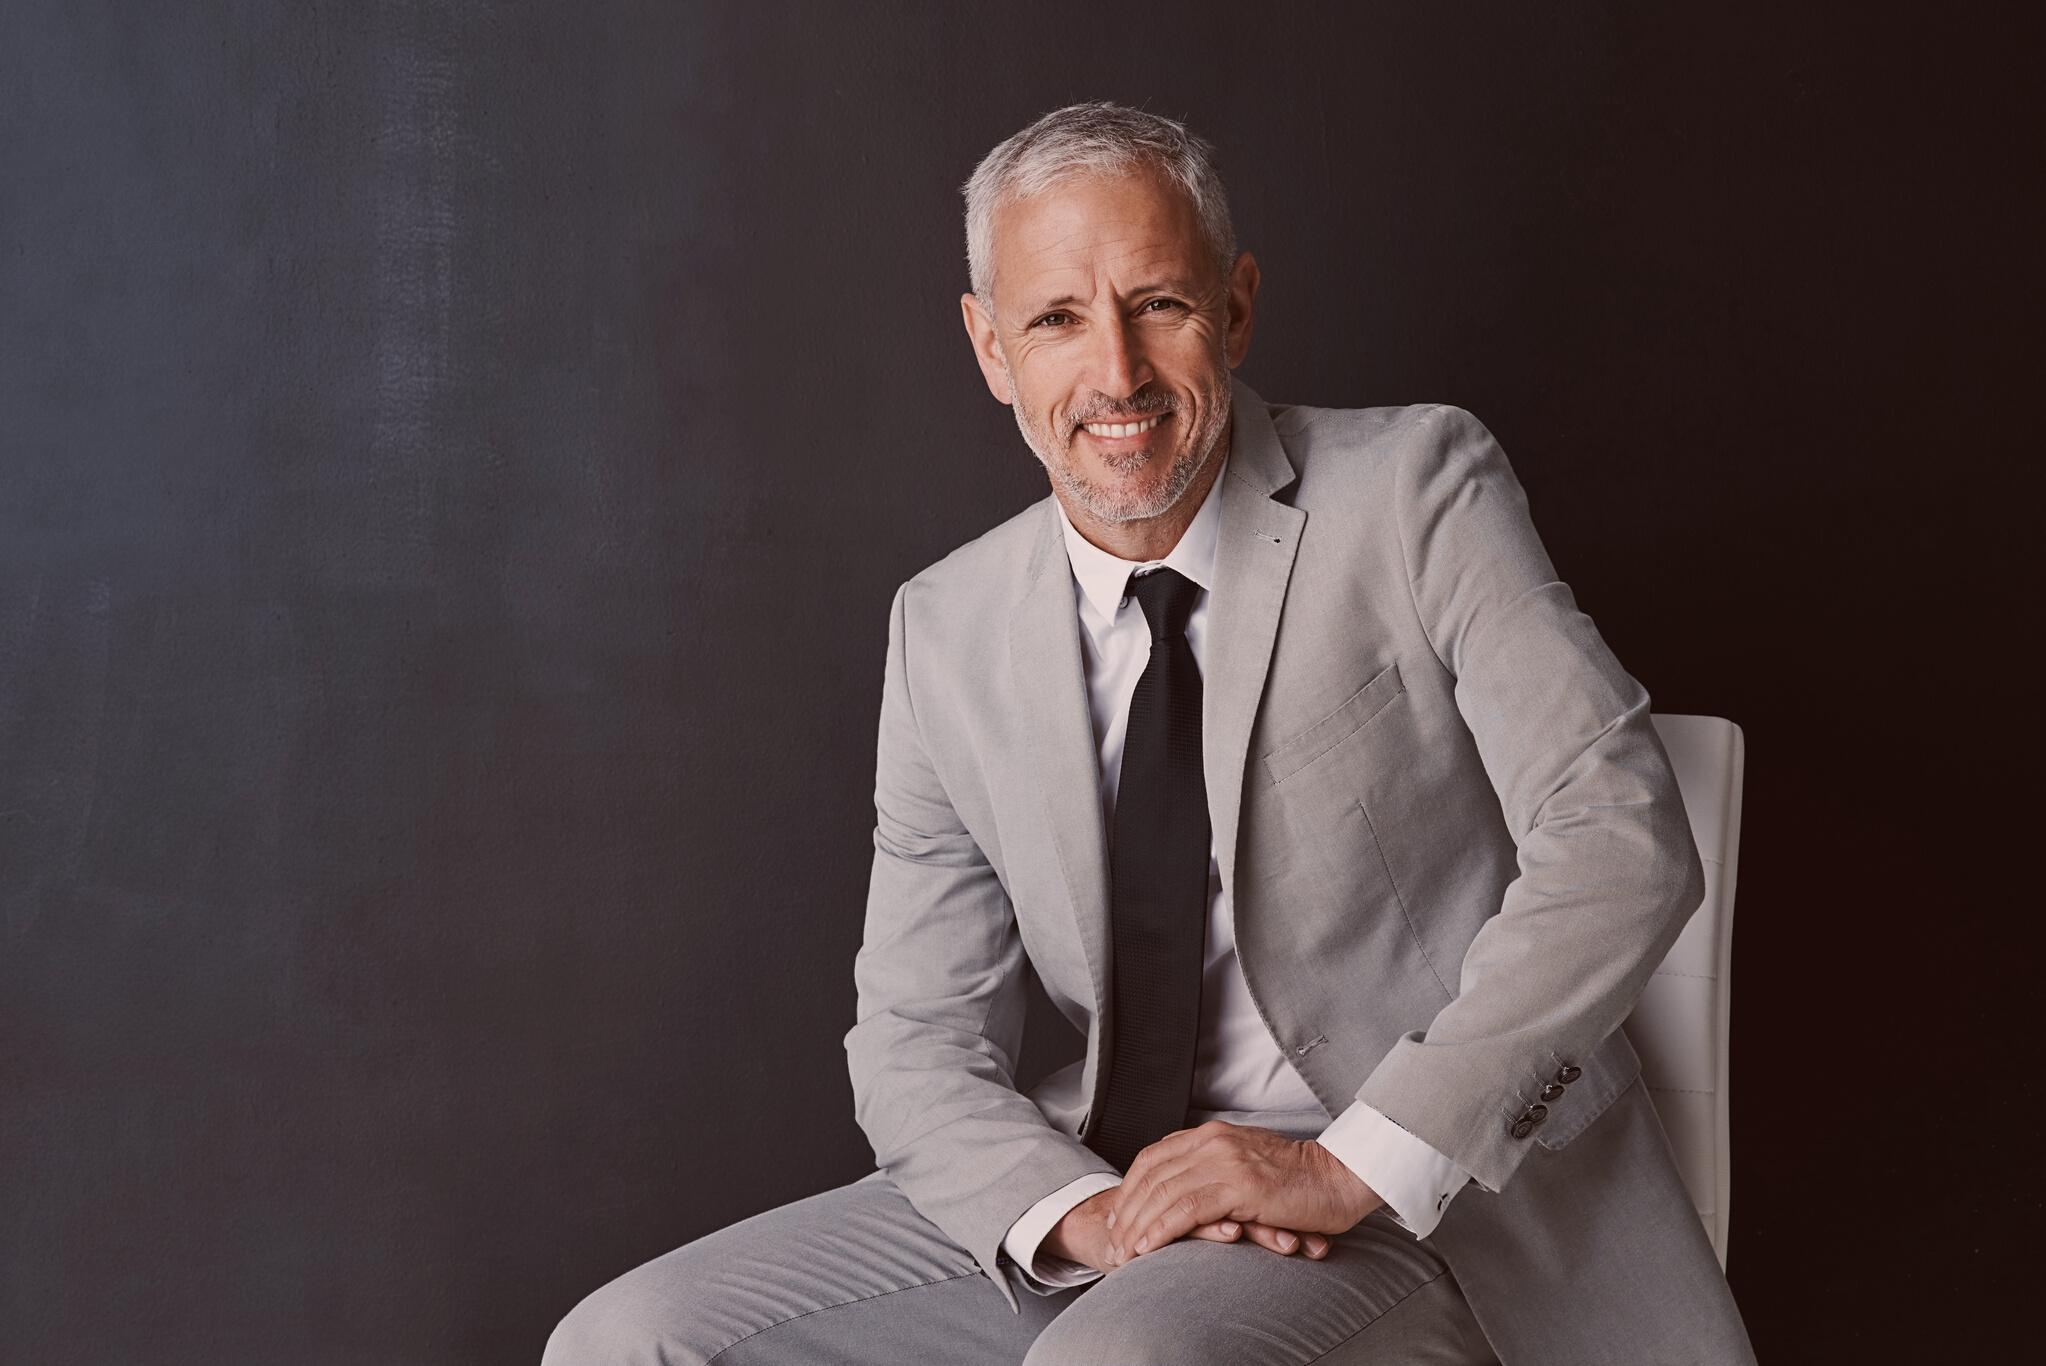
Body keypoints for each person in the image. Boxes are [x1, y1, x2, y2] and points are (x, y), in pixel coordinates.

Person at [543, 100, 1758, 1366]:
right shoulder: (946, 628)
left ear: (1235, 308)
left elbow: (1620, 838)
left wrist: (1341, 1166)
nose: (1115, 374)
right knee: (625, 1343)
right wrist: (1083, 1214)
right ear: (991, 348)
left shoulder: (1414, 489)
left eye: (1159, 304)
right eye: (1056, 320)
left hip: (1416, 1198)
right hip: (1110, 1182)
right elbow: (916, 1036)